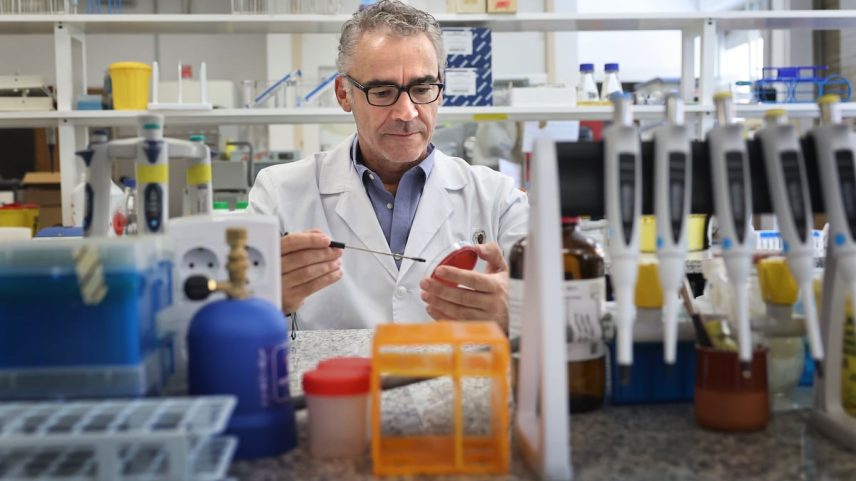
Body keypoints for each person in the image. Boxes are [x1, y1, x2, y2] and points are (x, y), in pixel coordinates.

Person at [248, 0, 528, 331]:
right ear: (344, 94)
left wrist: (514, 314)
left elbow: (562, 318)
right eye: (382, 92)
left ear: (441, 91)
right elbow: (230, 327)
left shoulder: (499, 200)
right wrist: (268, 302)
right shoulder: (280, 194)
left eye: (422, 89)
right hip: (334, 369)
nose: (407, 112)